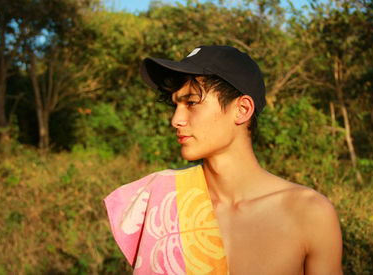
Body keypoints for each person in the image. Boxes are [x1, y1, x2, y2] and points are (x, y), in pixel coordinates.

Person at [105, 45, 343, 274]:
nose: (176, 120)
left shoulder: (309, 214)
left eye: (191, 103)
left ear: (242, 110)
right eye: (175, 105)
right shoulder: (161, 203)